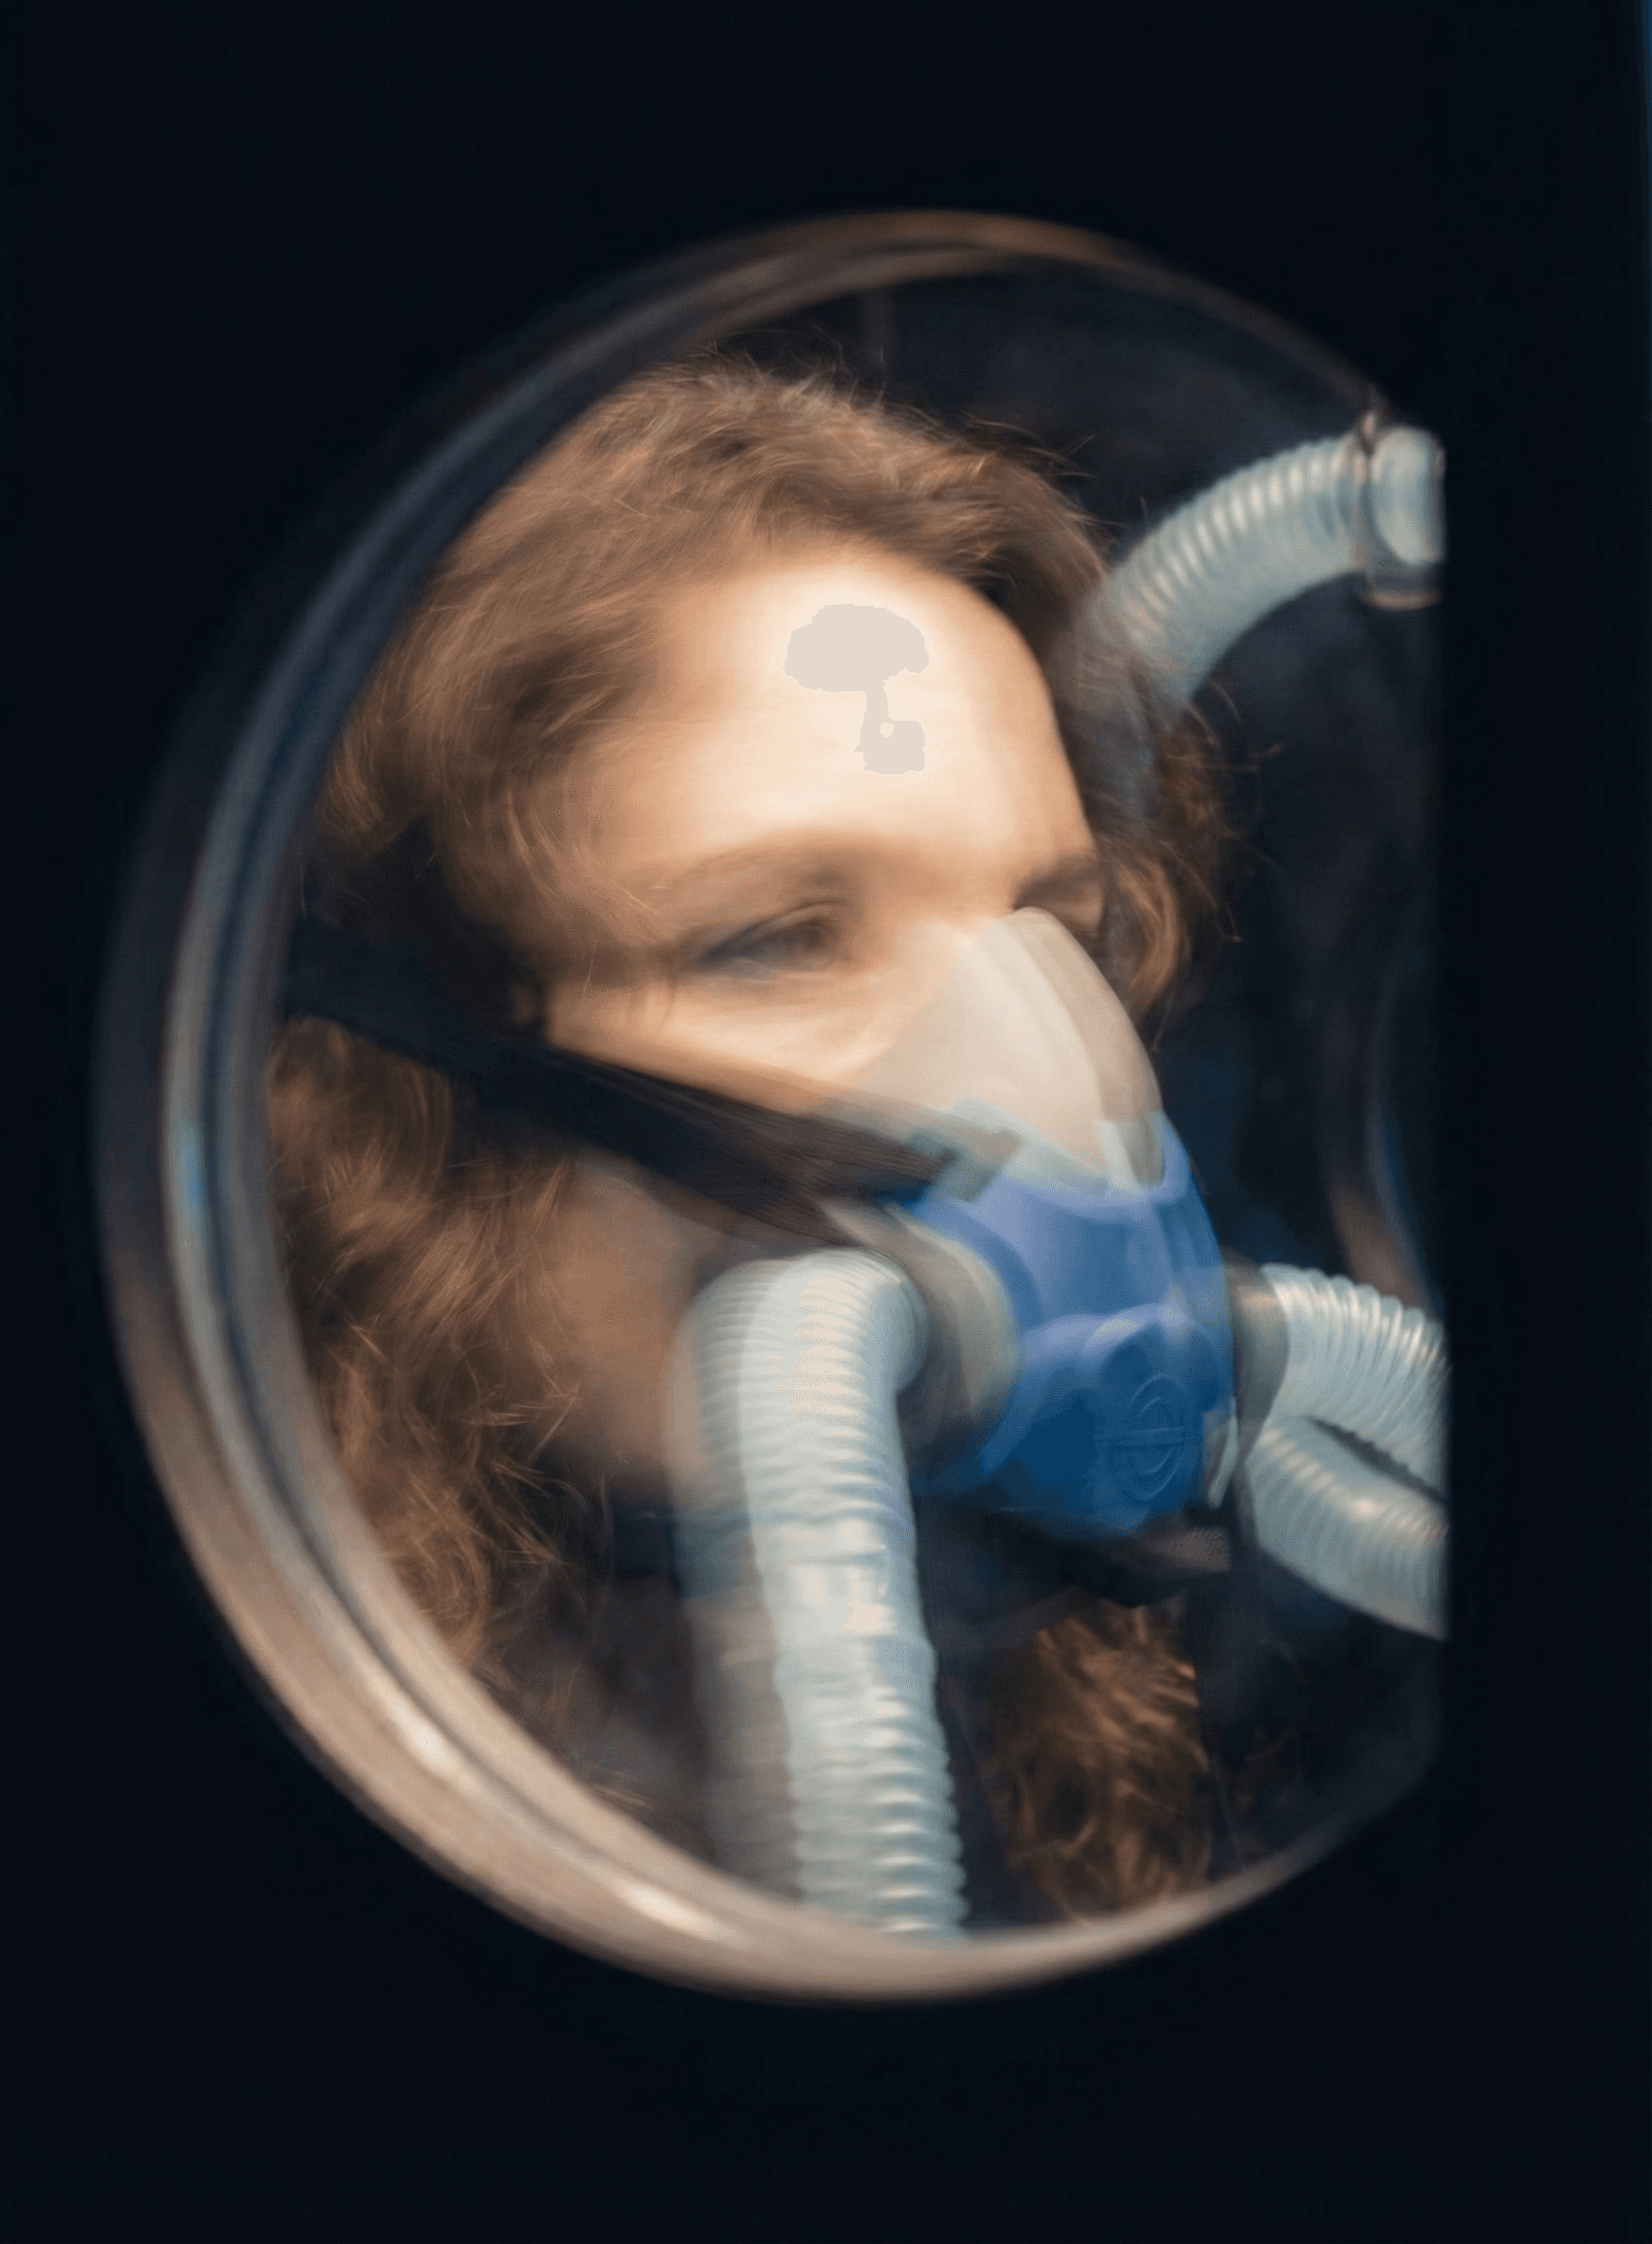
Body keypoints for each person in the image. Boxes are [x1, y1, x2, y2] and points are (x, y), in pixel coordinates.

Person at [268, 348, 1247, 1925]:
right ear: (389, 1084)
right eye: (779, 937)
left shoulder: (1016, 1760)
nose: (1064, 1092)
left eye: (1057, 926)